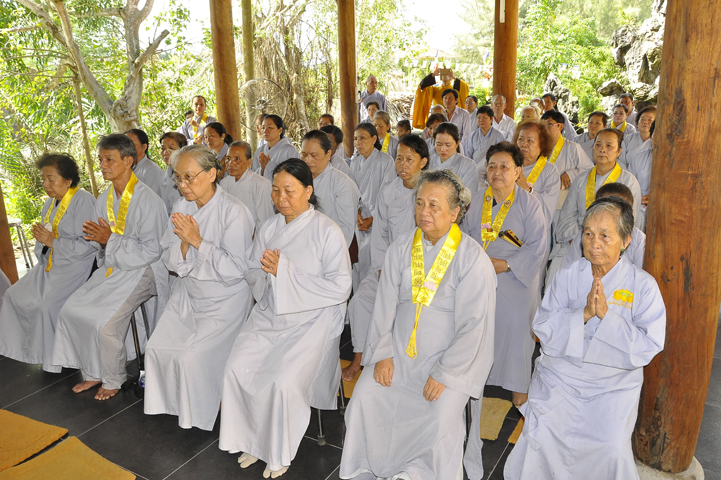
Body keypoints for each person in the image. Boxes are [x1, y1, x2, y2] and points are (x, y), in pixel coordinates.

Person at [339, 169, 497, 480]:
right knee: (365, 398)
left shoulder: (471, 258)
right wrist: (383, 354)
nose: (424, 212)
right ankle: (367, 467)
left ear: (455, 213)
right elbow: (383, 305)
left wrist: (445, 373)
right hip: (397, 353)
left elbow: (474, 325)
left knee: (438, 416)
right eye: (420, 203)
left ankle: (416, 473)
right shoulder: (402, 247)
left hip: (447, 361)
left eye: (434, 206)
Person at [504, 196, 666, 480]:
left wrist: (608, 317)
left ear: (626, 241)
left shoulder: (643, 286)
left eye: (605, 235)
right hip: (562, 374)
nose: (594, 243)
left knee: (611, 447)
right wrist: (584, 314)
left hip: (613, 382)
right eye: (588, 234)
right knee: (544, 430)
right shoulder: (568, 275)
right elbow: (542, 326)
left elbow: (649, 344)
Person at [219, 159, 352, 478]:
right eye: (276, 190)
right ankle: (252, 440)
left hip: (310, 320)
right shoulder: (269, 228)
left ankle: (278, 451)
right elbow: (253, 269)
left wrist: (286, 273)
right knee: (237, 368)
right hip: (270, 314)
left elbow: (340, 287)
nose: (281, 198)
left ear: (308, 191)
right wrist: (268, 279)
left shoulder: (327, 231)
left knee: (282, 382)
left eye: (289, 191)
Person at [143, 145, 254, 431]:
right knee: (155, 348)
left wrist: (197, 242)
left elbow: (236, 269)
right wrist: (184, 245)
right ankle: (178, 405)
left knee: (191, 358)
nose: (182, 185)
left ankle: (208, 404)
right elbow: (169, 255)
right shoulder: (181, 207)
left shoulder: (234, 212)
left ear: (212, 174)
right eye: (178, 178)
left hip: (224, 298)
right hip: (188, 292)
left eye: (188, 177)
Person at [52, 134, 168, 401]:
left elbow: (152, 250)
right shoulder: (103, 198)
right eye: (101, 160)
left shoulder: (149, 200)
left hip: (144, 270)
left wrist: (109, 240)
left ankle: (114, 378)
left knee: (105, 323)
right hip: (113, 268)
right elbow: (101, 246)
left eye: (109, 160)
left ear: (128, 161)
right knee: (71, 311)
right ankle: (93, 371)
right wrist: (101, 241)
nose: (103, 165)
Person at [461, 142, 548, 479]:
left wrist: (502, 265)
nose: (497, 173)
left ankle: (520, 397)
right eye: (492, 166)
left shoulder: (530, 204)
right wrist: (478, 265)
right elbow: (462, 238)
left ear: (517, 171)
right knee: (474, 332)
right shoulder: (475, 201)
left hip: (515, 278)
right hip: (479, 277)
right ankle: (474, 388)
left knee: (514, 332)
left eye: (504, 167)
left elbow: (538, 247)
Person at [344, 134, 429, 382]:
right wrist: (382, 268)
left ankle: (402, 362)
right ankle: (359, 358)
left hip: (421, 269)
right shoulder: (388, 190)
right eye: (399, 159)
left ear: (423, 162)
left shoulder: (431, 191)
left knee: (405, 310)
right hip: (388, 264)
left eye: (409, 160)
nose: (402, 165)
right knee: (360, 301)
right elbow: (380, 233)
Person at [0, 154, 96, 373]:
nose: (45, 184)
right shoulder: (50, 204)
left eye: (51, 179)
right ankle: (25, 350)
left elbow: (89, 245)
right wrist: (43, 242)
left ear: (68, 180)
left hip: (76, 266)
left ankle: (56, 359)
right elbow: (44, 241)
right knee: (14, 296)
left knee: (47, 306)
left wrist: (54, 242)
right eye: (43, 179)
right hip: (50, 264)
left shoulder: (84, 201)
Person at [547, 128, 642, 286]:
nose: (602, 149)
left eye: (609, 146)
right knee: (556, 278)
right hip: (576, 240)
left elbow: (630, 223)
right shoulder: (581, 179)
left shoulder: (629, 182)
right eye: (598, 145)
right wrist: (580, 239)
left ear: (619, 151)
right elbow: (566, 217)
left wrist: (601, 241)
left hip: (610, 247)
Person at [349, 123, 396, 289]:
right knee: (358, 264)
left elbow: (388, 195)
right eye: (355, 139)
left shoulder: (386, 161)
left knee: (373, 264)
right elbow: (353, 192)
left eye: (363, 138)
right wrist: (357, 213)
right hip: (359, 220)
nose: (358, 142)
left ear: (374, 139)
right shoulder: (354, 163)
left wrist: (373, 218)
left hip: (378, 219)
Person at [562, 182, 645, 269]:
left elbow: (640, 274)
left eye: (605, 236)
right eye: (603, 208)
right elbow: (569, 267)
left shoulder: (640, 242)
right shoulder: (584, 235)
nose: (595, 244)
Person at [300, 130, 360, 247]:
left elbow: (345, 228)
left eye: (314, 155)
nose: (308, 160)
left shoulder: (342, 183)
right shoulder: (298, 180)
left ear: (328, 154)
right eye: (304, 154)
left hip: (331, 247)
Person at [513, 119, 561, 232]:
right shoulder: (509, 165)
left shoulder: (550, 171)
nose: (524, 144)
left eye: (530, 140)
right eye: (521, 139)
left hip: (535, 231)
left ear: (542, 145)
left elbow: (547, 211)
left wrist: (528, 189)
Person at [219, 140, 274, 232]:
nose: (231, 163)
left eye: (237, 159)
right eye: (228, 158)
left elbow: (265, 221)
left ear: (249, 162)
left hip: (254, 237)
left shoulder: (261, 184)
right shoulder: (224, 183)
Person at [541, 110, 593, 190]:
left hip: (565, 193)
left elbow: (589, 169)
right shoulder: (538, 148)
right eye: (542, 125)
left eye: (550, 124)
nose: (545, 128)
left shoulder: (572, 147)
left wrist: (570, 174)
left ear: (560, 126)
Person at [431, 122, 481, 193]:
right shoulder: (428, 162)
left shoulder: (468, 165)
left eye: (448, 145)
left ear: (457, 144)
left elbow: (470, 194)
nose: (443, 149)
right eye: (439, 144)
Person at [626, 120, 655, 231]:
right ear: (651, 137)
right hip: (640, 206)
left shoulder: (681, 163)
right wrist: (639, 198)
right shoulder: (638, 157)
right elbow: (630, 186)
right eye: (656, 135)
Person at [464, 105, 506, 182]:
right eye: (479, 118)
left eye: (484, 117)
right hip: (474, 171)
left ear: (491, 119)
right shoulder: (472, 136)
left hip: (492, 170)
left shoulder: (498, 135)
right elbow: (467, 155)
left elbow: (501, 155)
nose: (481, 120)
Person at [254, 115, 299, 181]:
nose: (265, 131)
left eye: (269, 127)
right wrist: (262, 170)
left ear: (280, 130)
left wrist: (269, 167)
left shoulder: (290, 150)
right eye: (263, 128)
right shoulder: (259, 151)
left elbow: (295, 176)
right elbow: (253, 175)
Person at [125, 129, 164, 197]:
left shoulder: (151, 170)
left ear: (144, 147)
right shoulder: (130, 168)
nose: (126, 149)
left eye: (131, 145)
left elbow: (151, 198)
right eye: (124, 145)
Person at [158, 132, 187, 214]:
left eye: (171, 148)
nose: (165, 153)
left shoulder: (188, 175)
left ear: (182, 150)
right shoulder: (165, 174)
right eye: (163, 149)